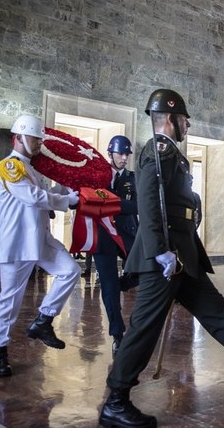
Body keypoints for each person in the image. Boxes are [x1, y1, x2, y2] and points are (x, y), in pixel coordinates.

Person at [99, 89, 224, 428]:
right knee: (143, 330)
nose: (188, 123)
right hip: (164, 260)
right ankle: (116, 401)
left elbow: (178, 203)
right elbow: (150, 201)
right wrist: (159, 250)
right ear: (169, 118)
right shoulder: (159, 148)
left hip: (182, 256)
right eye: (184, 118)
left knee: (215, 311)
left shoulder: (172, 153)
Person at [0, 113, 81, 377]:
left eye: (40, 137)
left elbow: (47, 196)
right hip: (17, 243)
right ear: (18, 138)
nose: (39, 142)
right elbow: (33, 197)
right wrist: (65, 201)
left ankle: (44, 320)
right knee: (10, 300)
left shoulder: (32, 168)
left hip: (40, 239)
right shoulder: (9, 166)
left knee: (70, 271)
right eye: (34, 137)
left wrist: (68, 189)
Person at [93, 135, 139, 357]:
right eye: (120, 154)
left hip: (128, 235)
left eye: (126, 154)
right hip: (102, 238)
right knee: (109, 288)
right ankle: (117, 335)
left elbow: (139, 206)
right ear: (110, 153)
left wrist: (113, 204)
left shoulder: (133, 178)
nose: (124, 158)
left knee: (144, 271)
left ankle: (122, 284)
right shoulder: (97, 175)